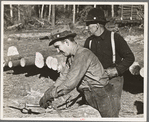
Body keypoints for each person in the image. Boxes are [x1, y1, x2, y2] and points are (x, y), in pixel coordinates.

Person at [39, 29, 120, 117]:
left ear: (66, 42)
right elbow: (63, 76)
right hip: (90, 93)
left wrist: (51, 95)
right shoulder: (71, 57)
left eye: (58, 46)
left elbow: (69, 84)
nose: (58, 51)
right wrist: (50, 90)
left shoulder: (82, 54)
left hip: (102, 95)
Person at [84, 8, 135, 114]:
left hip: (113, 80)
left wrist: (116, 70)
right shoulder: (89, 42)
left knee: (112, 110)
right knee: (95, 110)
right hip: (95, 80)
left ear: (97, 25)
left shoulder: (115, 38)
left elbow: (129, 57)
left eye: (89, 24)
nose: (87, 27)